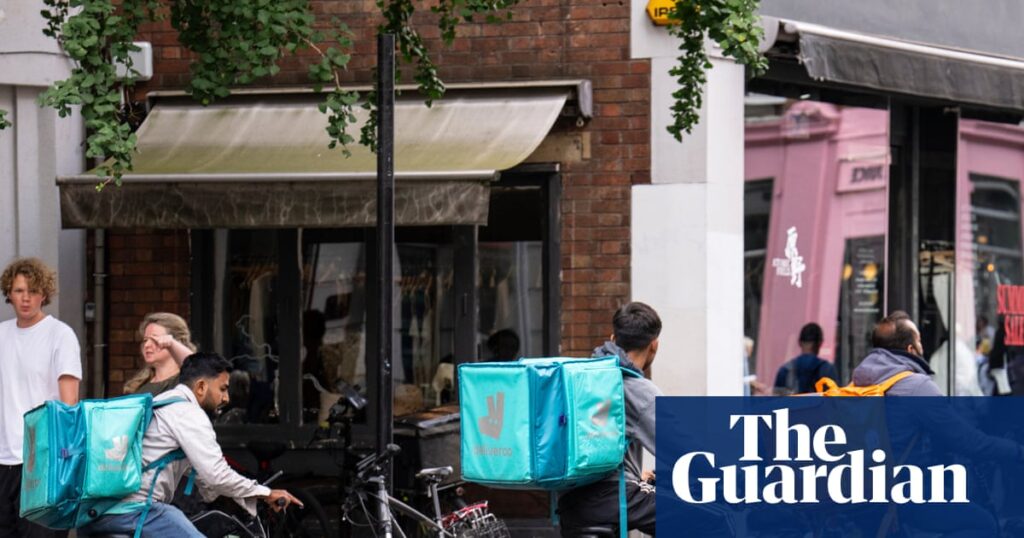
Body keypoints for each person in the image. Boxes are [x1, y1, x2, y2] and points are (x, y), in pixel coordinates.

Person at [79, 352, 302, 537]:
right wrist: (265, 493)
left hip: (100, 512)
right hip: (135, 510)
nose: (226, 398)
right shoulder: (188, 414)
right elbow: (217, 475)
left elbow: (208, 484)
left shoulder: (162, 403)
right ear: (201, 386)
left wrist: (250, 496)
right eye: (223, 389)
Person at [852, 311, 1024, 537]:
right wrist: (1016, 451)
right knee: (982, 524)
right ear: (911, 349)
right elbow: (968, 441)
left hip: (863, 490)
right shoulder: (916, 386)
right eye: (919, 340)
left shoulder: (860, 382)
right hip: (903, 491)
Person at [0, 258, 81, 538]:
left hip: (41, 463)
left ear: (44, 294)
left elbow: (69, 405)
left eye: (33, 291)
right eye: (19, 290)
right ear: (9, 293)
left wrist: (62, 462)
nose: (26, 298)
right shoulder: (1, 334)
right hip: (3, 460)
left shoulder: (60, 335)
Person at [124, 312, 198, 396]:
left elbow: (197, 367)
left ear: (177, 341)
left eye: (155, 339)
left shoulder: (187, 379)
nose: (147, 345)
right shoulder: (138, 387)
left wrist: (172, 344)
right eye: (145, 340)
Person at [773, 323, 838, 395]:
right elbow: (836, 398)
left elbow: (776, 399)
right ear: (820, 343)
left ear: (799, 342)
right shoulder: (828, 370)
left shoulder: (785, 370)